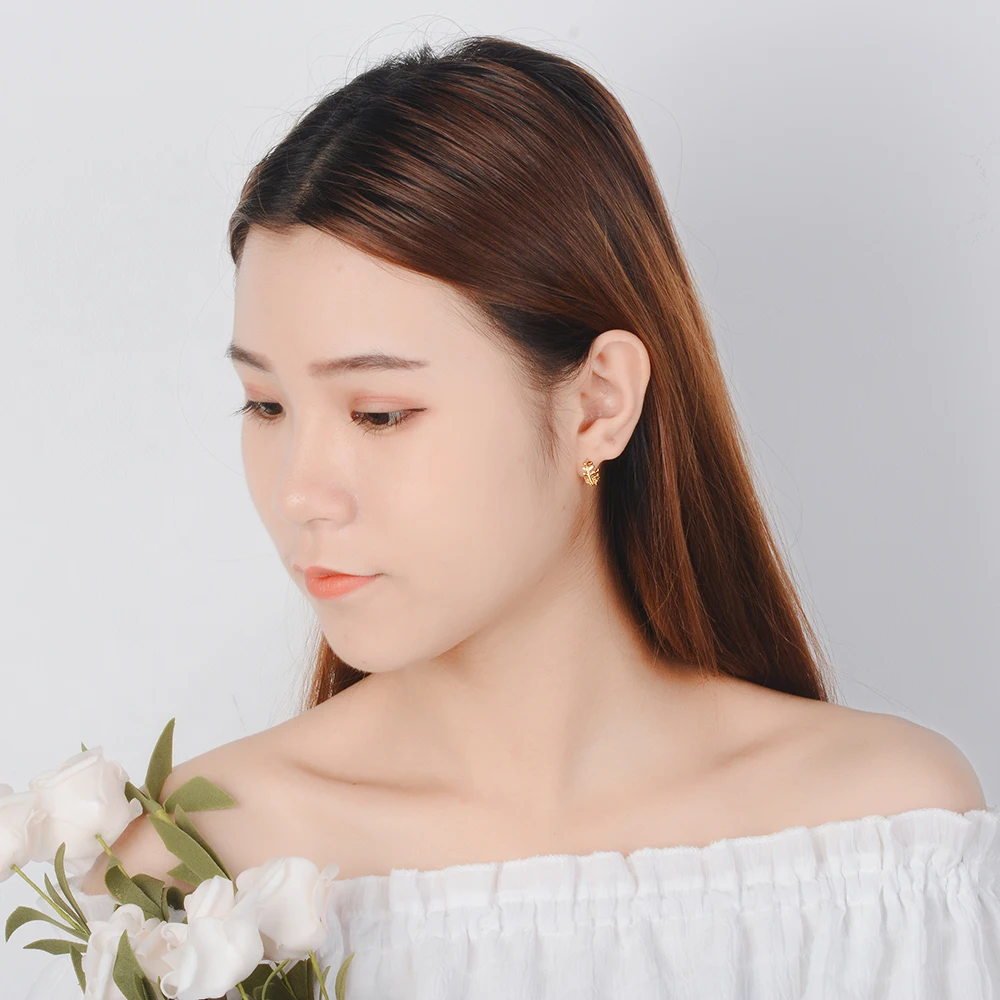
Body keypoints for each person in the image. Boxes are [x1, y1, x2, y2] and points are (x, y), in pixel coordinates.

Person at [75, 34, 998, 999]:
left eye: (378, 414)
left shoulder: (882, 851)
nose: (300, 492)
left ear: (598, 403)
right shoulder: (195, 874)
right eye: (266, 406)